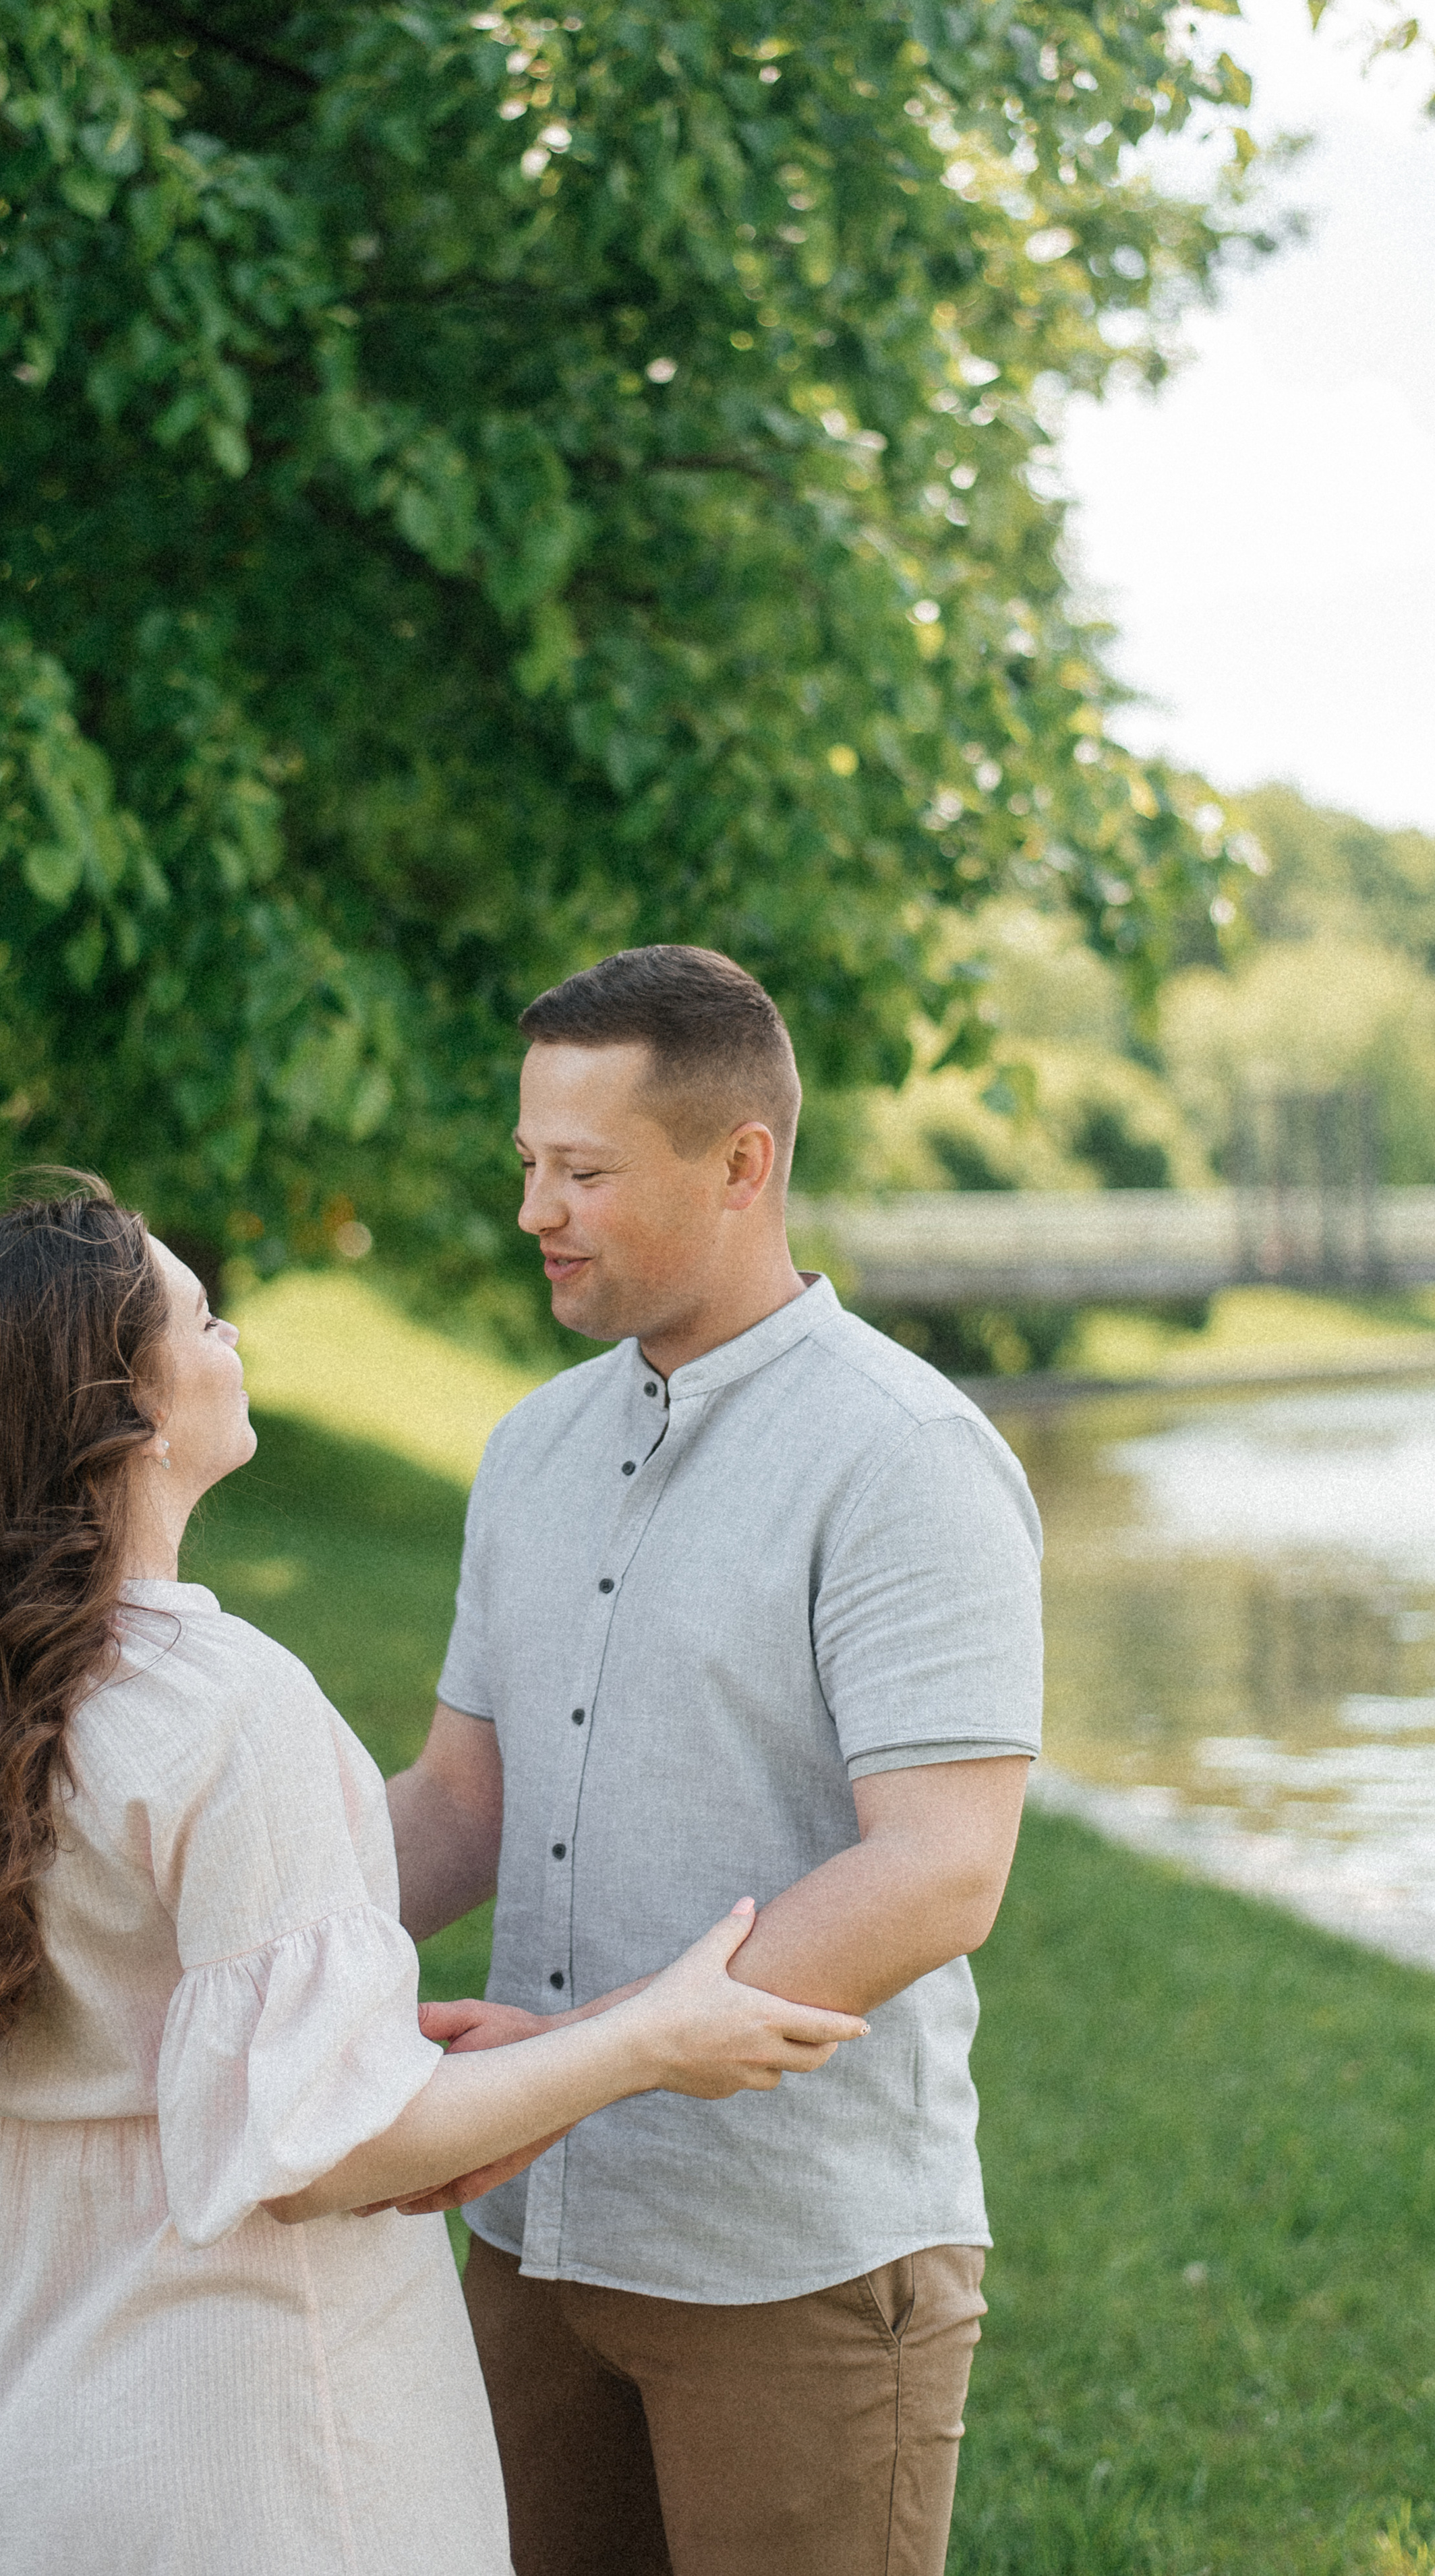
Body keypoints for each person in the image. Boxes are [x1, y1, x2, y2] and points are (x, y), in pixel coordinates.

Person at [0, 1178, 863, 2576]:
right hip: (256, 2451)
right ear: (127, 1408)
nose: (231, 1339)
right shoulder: (221, 1706)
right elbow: (322, 2154)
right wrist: (647, 2040)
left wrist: (337, 2045)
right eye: (202, 1318)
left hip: (14, 2438)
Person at [384, 946, 1045, 2576]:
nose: (536, 1208)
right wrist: (191, 1929)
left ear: (742, 1164)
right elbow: (461, 1805)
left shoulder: (904, 1460)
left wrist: (573, 2062)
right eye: (528, 1164)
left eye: (585, 1171)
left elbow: (939, 1868)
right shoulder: (526, 1447)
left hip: (792, 2260)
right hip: (527, 2242)